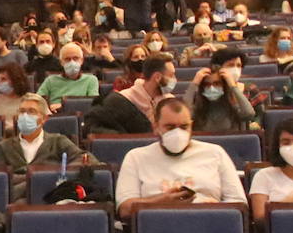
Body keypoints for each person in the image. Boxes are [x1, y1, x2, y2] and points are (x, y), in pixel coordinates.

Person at [114, 98, 248, 220]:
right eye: (170, 127)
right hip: (157, 226)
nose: (178, 133)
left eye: (184, 127)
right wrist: (161, 202)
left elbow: (240, 204)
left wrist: (217, 208)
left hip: (209, 224)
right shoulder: (136, 157)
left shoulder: (215, 153)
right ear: (156, 127)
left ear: (191, 126)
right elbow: (124, 209)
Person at [0, 93, 84, 200]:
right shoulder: (5, 146)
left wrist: (56, 173)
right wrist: (33, 178)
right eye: (22, 111)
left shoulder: (58, 141)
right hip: (17, 201)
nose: (25, 116)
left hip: (51, 197)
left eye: (31, 111)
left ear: (44, 118)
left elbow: (84, 159)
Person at [85, 54, 174, 135]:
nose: (174, 79)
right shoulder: (121, 101)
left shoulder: (170, 101)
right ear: (157, 77)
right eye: (171, 75)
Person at [185, 62, 255, 132]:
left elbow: (249, 114)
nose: (212, 88)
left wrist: (232, 85)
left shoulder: (232, 107)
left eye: (217, 83)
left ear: (224, 86)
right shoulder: (198, 108)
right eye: (207, 84)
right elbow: (183, 115)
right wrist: (194, 83)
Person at [35, 43, 99, 109]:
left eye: (75, 58)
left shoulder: (91, 80)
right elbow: (37, 101)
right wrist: (48, 108)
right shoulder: (50, 80)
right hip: (56, 115)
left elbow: (93, 104)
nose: (72, 62)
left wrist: (63, 106)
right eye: (67, 59)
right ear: (61, 62)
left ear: (82, 60)